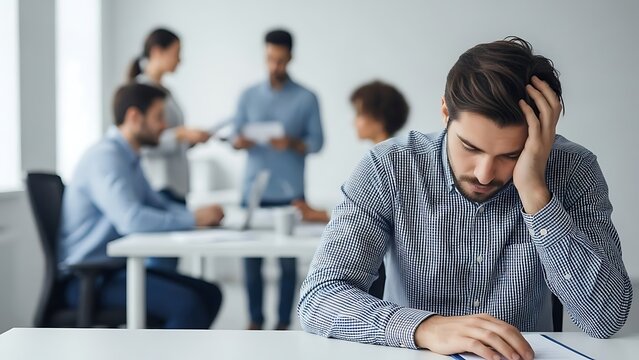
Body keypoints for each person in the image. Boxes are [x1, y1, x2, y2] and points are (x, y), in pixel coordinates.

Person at [298, 37, 632, 359]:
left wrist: (535, 192)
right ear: (445, 111)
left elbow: (605, 318)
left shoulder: (573, 169)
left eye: (511, 154)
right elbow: (320, 297)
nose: (485, 173)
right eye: (470, 147)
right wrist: (426, 328)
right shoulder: (388, 167)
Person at [58, 83, 225, 329]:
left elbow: (158, 206)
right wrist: (192, 220)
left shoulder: (130, 158)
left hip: (112, 270)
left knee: (210, 294)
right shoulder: (106, 157)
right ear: (134, 117)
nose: (165, 126)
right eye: (159, 117)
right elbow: (131, 220)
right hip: (86, 279)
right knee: (188, 305)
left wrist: (197, 215)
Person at [232, 29, 324, 330]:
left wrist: (293, 143)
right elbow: (234, 137)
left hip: (290, 193)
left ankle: (284, 322)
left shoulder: (307, 98)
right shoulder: (247, 95)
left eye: (281, 60)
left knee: (288, 264)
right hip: (253, 192)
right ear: (265, 55)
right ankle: (254, 321)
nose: (275, 66)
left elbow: (318, 143)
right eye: (271, 59)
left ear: (291, 58)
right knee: (251, 261)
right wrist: (241, 141)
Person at [293, 80, 410, 300]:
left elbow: (376, 217)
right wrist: (320, 215)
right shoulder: (390, 156)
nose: (353, 122)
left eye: (359, 114)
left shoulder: (386, 163)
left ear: (378, 118)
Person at [129, 28, 212, 271]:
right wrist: (179, 135)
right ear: (157, 52)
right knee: (161, 266)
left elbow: (166, 136)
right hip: (159, 187)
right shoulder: (141, 93)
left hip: (175, 187)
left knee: (169, 265)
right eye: (176, 53)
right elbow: (144, 141)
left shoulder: (164, 92)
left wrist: (188, 139)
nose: (180, 60)